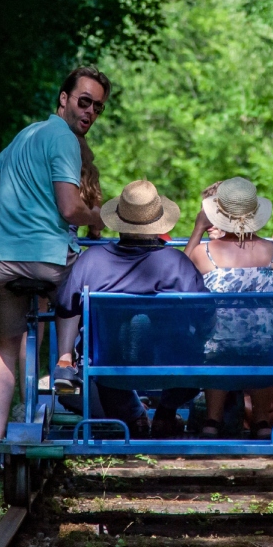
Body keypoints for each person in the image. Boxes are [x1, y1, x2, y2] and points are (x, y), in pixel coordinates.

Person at [0, 67, 109, 467]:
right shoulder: (64, 139)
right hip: (47, 260)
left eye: (97, 107)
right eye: (84, 101)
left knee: (5, 347)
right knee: (83, 273)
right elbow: (69, 208)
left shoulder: (26, 134)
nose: (90, 112)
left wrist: (4, 226)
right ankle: (66, 361)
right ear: (63, 99)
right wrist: (97, 217)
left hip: (0, 260)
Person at [53, 180, 209, 437]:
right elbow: (206, 315)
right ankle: (166, 412)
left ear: (119, 220)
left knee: (108, 351)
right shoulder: (176, 263)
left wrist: (66, 355)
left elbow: (66, 307)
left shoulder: (91, 261)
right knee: (192, 347)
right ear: (158, 222)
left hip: (109, 367)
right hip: (170, 365)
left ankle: (132, 416)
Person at [184, 178, 273, 439]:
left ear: (217, 216)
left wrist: (198, 230)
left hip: (217, 348)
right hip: (268, 348)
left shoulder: (203, 252)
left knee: (219, 338)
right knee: (259, 332)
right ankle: (262, 421)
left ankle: (212, 421)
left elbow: (180, 275)